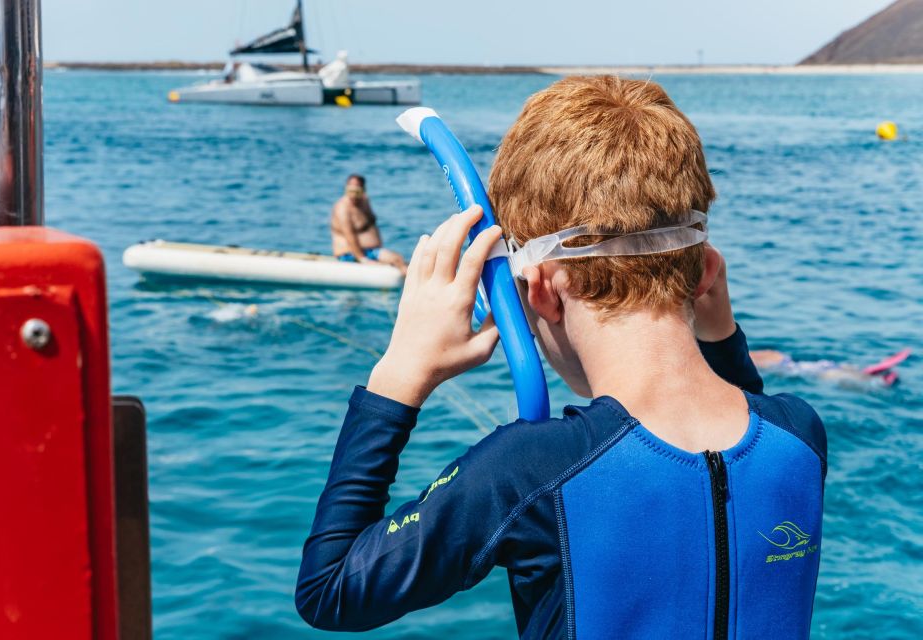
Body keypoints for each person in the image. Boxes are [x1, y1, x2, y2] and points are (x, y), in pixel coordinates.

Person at [297, 77, 826, 638]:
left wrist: (399, 374)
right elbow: (747, 411)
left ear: (543, 289)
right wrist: (722, 340)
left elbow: (329, 589)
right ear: (707, 274)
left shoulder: (530, 469)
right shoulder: (799, 435)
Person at [330, 175, 407, 274]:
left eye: (357, 192)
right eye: (350, 191)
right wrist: (362, 259)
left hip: (370, 251)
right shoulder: (342, 208)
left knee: (399, 259)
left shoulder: (365, 201)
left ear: (363, 190)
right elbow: (350, 236)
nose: (353, 195)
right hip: (350, 254)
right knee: (396, 260)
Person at [751, 348, 909, 388]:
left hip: (806, 369)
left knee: (831, 375)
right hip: (806, 364)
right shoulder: (771, 355)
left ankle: (873, 379)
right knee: (835, 371)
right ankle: (869, 375)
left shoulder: (763, 361)